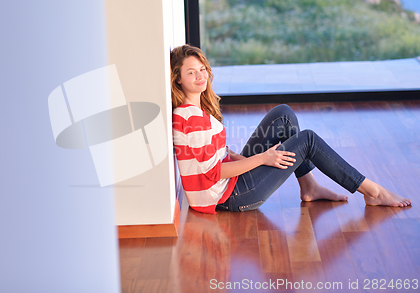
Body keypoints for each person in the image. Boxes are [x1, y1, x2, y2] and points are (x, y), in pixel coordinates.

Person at [171, 44, 412, 214]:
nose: (201, 76)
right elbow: (214, 174)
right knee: (307, 139)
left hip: (229, 184)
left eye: (202, 69)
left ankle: (309, 186)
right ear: (178, 78)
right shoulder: (192, 120)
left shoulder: (194, 111)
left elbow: (216, 153)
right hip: (230, 197)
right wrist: (262, 158)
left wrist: (242, 157)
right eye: (191, 72)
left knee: (283, 115)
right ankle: (373, 192)